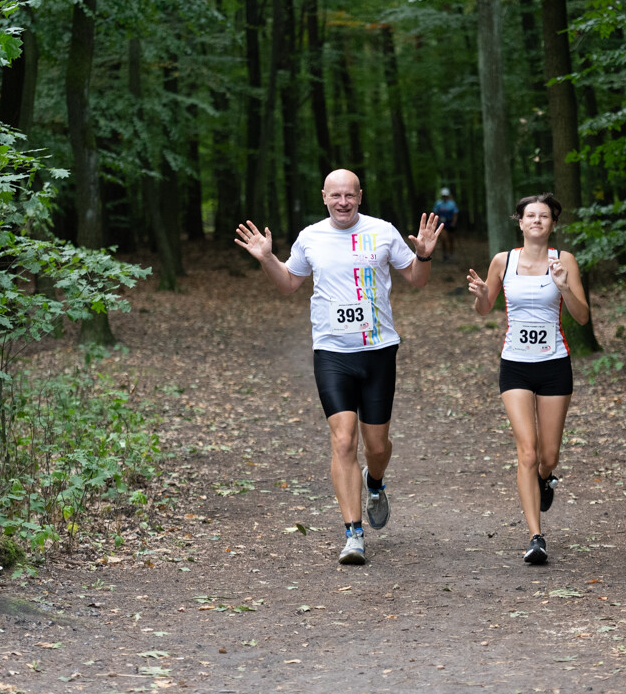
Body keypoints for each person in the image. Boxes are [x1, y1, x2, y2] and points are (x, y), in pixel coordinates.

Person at [235, 169, 442, 565]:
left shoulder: (382, 231)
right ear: (324, 198)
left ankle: (375, 483)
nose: (343, 202)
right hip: (331, 352)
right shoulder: (310, 237)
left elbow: (417, 279)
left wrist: (425, 254)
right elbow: (288, 284)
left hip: (379, 351)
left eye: (349, 195)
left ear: (360, 196)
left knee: (377, 446)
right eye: (336, 196)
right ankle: (353, 533)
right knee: (344, 441)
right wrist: (266, 259)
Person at [466, 193, 590, 565]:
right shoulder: (503, 261)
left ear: (553, 223)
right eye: (530, 215)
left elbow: (583, 317)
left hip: (554, 364)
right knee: (528, 451)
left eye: (544, 215)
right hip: (516, 365)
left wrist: (565, 286)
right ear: (519, 222)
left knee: (548, 456)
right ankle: (536, 536)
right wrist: (481, 295)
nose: (537, 220)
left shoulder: (564, 260)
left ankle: (545, 479)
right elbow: (484, 308)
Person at [431, 187, 459, 261]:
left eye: (446, 196)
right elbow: (435, 213)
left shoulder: (452, 204)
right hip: (442, 223)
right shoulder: (438, 203)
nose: (444, 197)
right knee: (443, 239)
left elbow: (455, 214)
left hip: (450, 223)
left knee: (451, 239)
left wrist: (454, 222)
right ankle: (444, 254)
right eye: (443, 196)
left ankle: (451, 254)